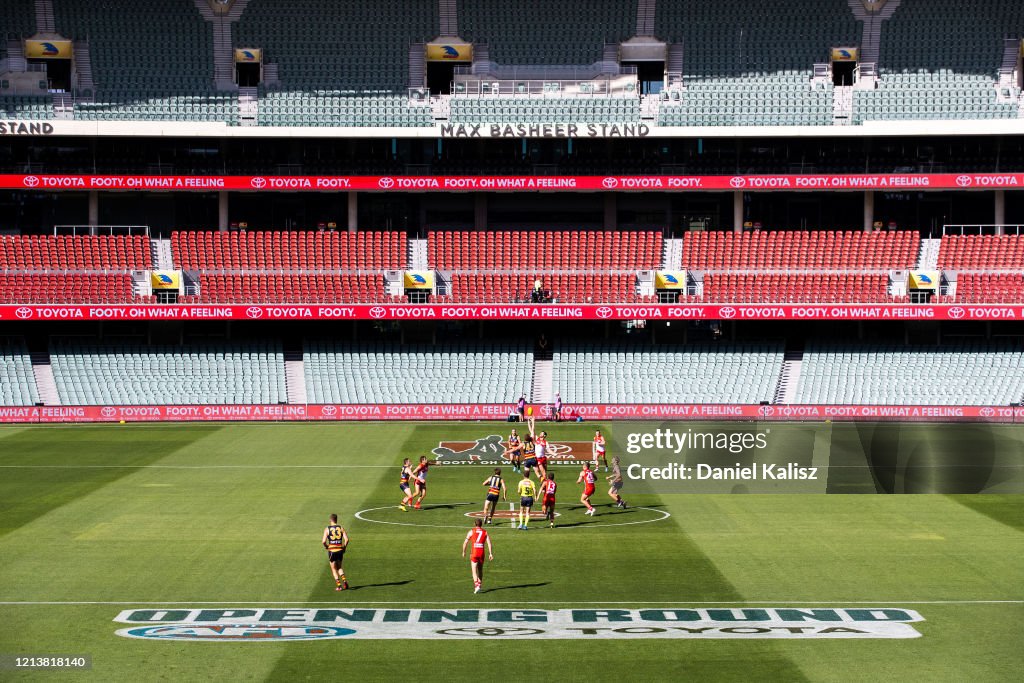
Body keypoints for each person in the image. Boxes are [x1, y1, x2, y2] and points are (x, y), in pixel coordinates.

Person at [461, 519, 493, 593]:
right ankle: (479, 585)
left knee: (474, 570)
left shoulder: (471, 531)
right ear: (481, 524)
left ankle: (476, 586)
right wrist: (490, 553)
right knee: (480, 570)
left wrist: (464, 552)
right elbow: (489, 543)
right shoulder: (485, 532)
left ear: (474, 524)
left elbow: (465, 542)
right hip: (481, 552)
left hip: (474, 552)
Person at [321, 514, 350, 591]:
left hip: (332, 551)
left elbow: (323, 541)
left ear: (330, 520)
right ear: (336, 520)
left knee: (334, 569)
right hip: (340, 550)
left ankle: (339, 586)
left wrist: (327, 546)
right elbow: (347, 540)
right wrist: (344, 548)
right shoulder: (341, 528)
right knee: (339, 567)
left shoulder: (327, 529)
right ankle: (345, 582)